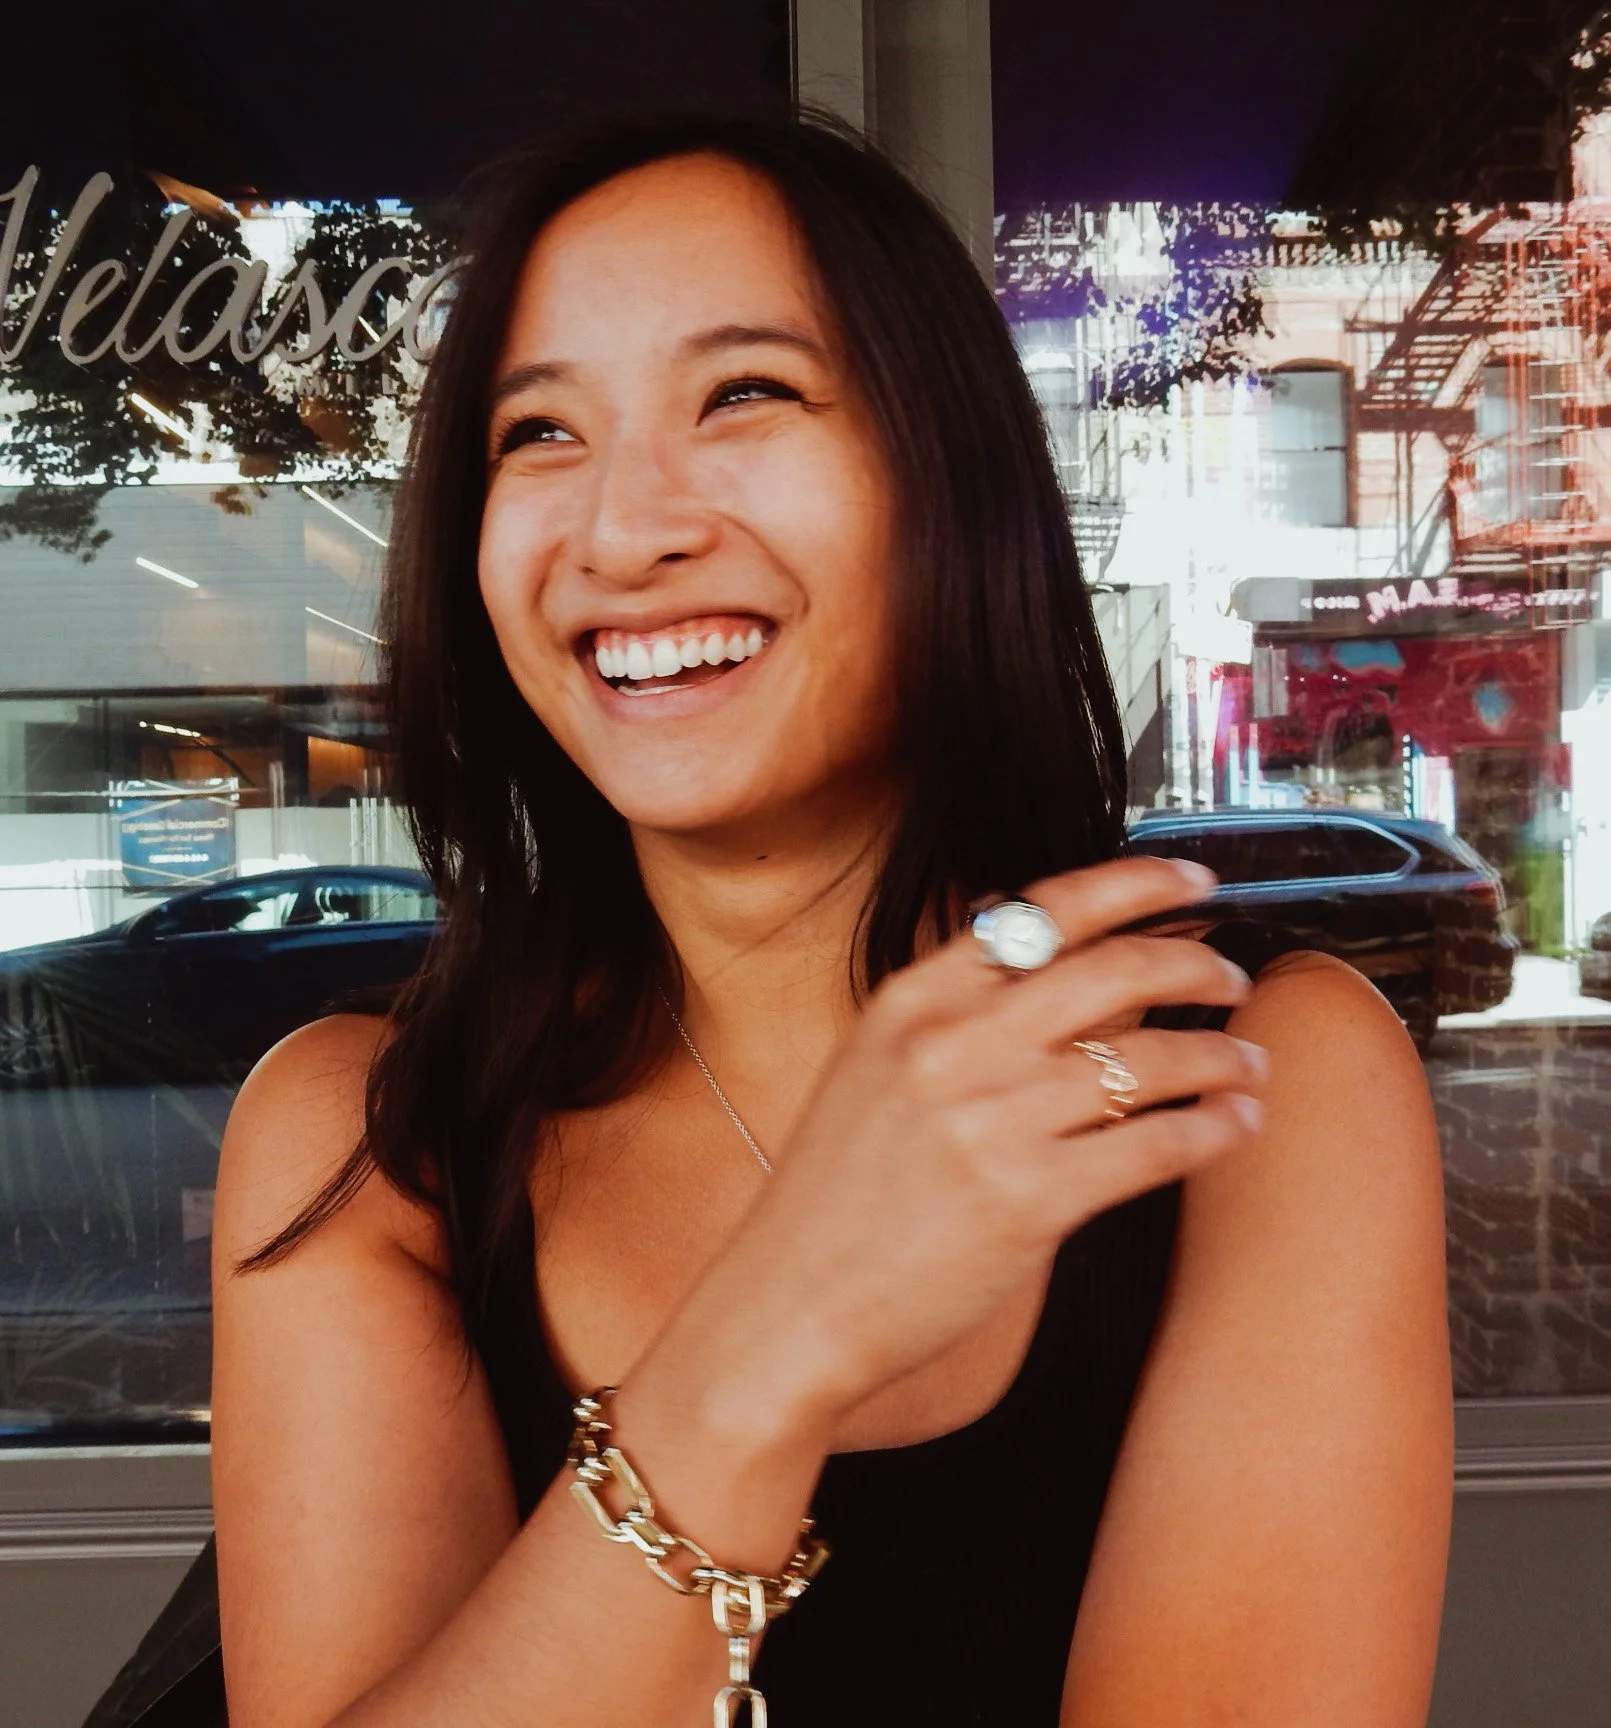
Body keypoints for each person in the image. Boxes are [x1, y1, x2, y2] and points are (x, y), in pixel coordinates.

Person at [210, 113, 1452, 1727]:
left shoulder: (1261, 1090)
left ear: (946, 480)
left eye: (744, 394)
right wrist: (773, 1336)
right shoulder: (364, 1146)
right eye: (537, 434)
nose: (624, 529)